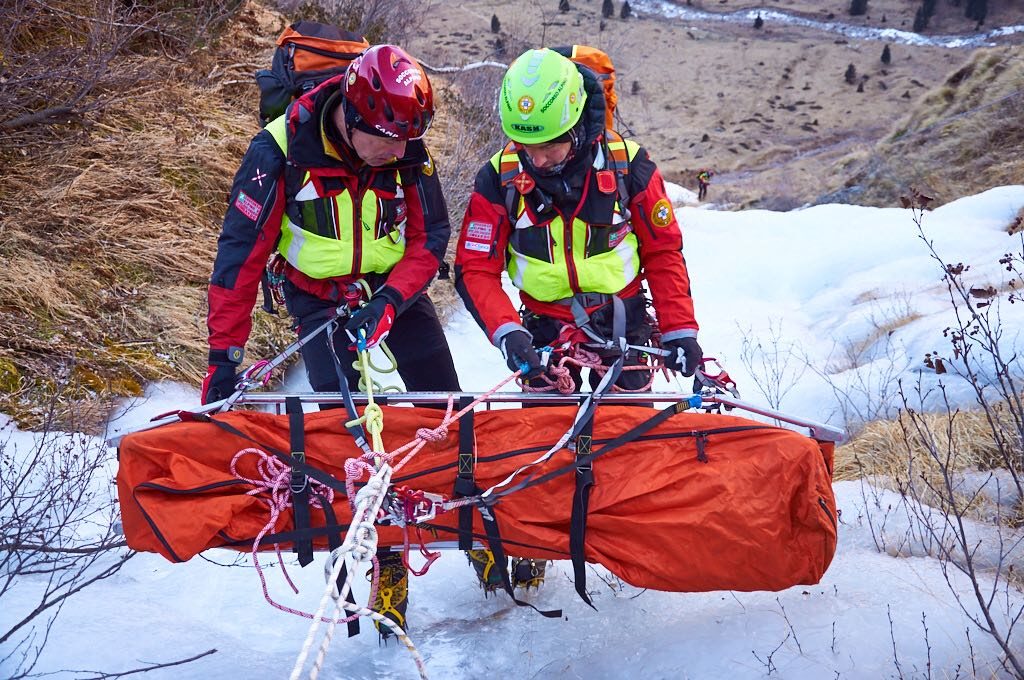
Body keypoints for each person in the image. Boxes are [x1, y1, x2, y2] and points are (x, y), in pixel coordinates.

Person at [201, 44, 460, 639]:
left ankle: (465, 519)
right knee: (344, 432)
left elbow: (430, 237)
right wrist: (224, 360)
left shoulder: (405, 143)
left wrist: (390, 304)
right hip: (317, 296)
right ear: (353, 117)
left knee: (445, 408)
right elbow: (239, 260)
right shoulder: (279, 152)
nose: (400, 153)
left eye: (408, 141)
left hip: (392, 288)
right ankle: (378, 554)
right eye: (389, 142)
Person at [453, 47, 702, 590]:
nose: (536, 160)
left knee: (627, 439)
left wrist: (681, 331)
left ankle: (624, 542)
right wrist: (508, 332)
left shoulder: (629, 166)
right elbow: (474, 268)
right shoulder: (499, 179)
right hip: (542, 329)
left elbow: (663, 253)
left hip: (625, 325)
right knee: (539, 446)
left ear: (578, 126)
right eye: (525, 146)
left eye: (549, 146)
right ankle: (535, 544)